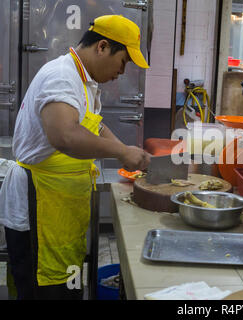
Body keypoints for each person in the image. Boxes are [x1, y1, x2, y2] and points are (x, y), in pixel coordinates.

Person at [0, 15, 151, 300]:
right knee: (43, 292)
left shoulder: (86, 82)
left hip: (61, 210)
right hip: (39, 210)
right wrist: (122, 152)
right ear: (103, 47)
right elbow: (65, 135)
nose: (123, 70)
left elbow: (94, 125)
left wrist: (126, 153)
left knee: (67, 288)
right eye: (124, 60)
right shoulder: (62, 75)